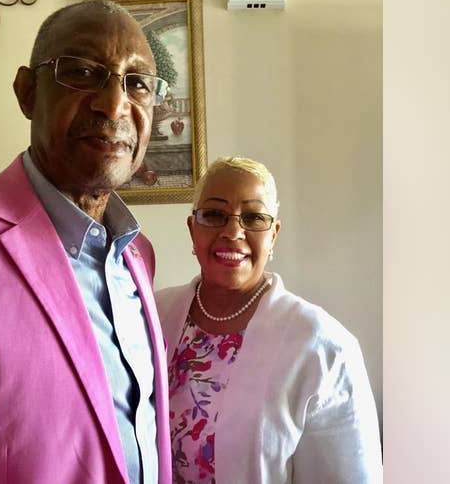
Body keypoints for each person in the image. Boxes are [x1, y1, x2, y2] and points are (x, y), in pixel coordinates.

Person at [0, 0, 173, 484]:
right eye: (84, 72)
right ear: (27, 92)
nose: (114, 104)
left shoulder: (137, 255)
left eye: (136, 83)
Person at [156, 157, 383, 483]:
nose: (233, 231)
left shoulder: (322, 346)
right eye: (214, 215)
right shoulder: (152, 314)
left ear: (273, 234)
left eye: (254, 217)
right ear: (193, 229)